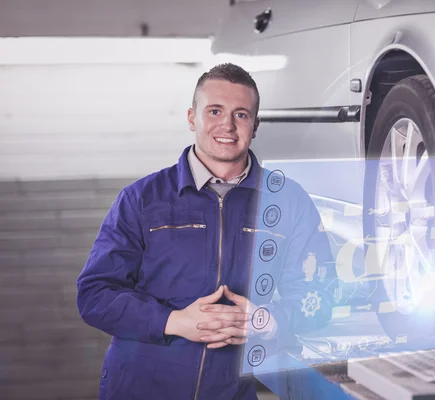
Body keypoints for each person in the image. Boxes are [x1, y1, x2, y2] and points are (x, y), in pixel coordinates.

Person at [76, 63, 335, 400]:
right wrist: (174, 321)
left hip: (231, 391)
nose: (227, 125)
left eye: (241, 114)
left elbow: (322, 296)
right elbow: (95, 295)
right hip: (138, 388)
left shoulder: (289, 202)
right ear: (191, 117)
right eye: (215, 111)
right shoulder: (141, 199)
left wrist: (268, 321)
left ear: (255, 125)